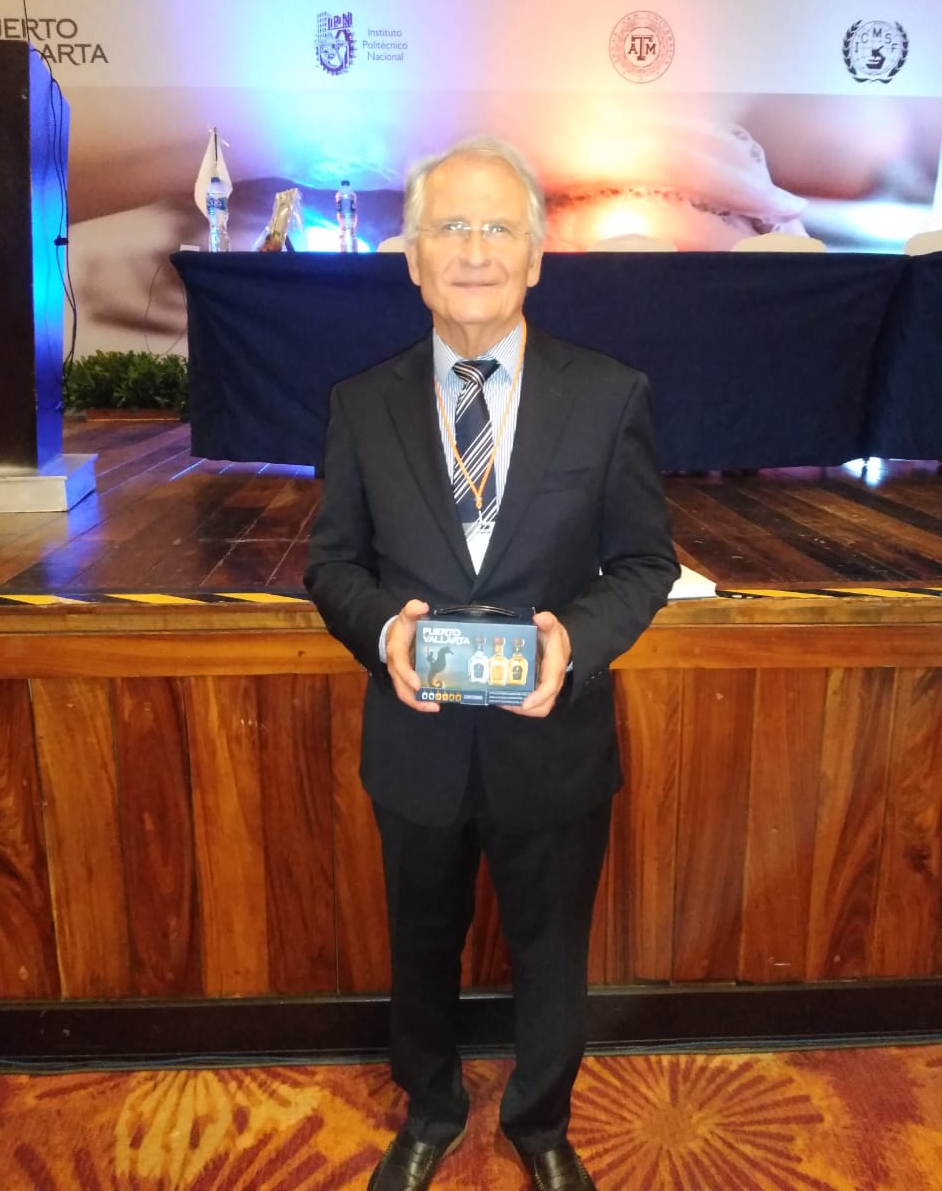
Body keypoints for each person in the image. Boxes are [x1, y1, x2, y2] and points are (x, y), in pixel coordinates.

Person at [304, 137, 679, 1191]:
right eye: (451, 228)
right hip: (415, 744)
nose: (474, 250)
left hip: (553, 745)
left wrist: (573, 641)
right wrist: (386, 634)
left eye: (498, 227)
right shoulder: (361, 404)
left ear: (536, 256)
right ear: (413, 257)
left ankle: (542, 1122)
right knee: (420, 944)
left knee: (553, 948)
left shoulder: (609, 395)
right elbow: (332, 565)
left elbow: (644, 562)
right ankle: (429, 1107)